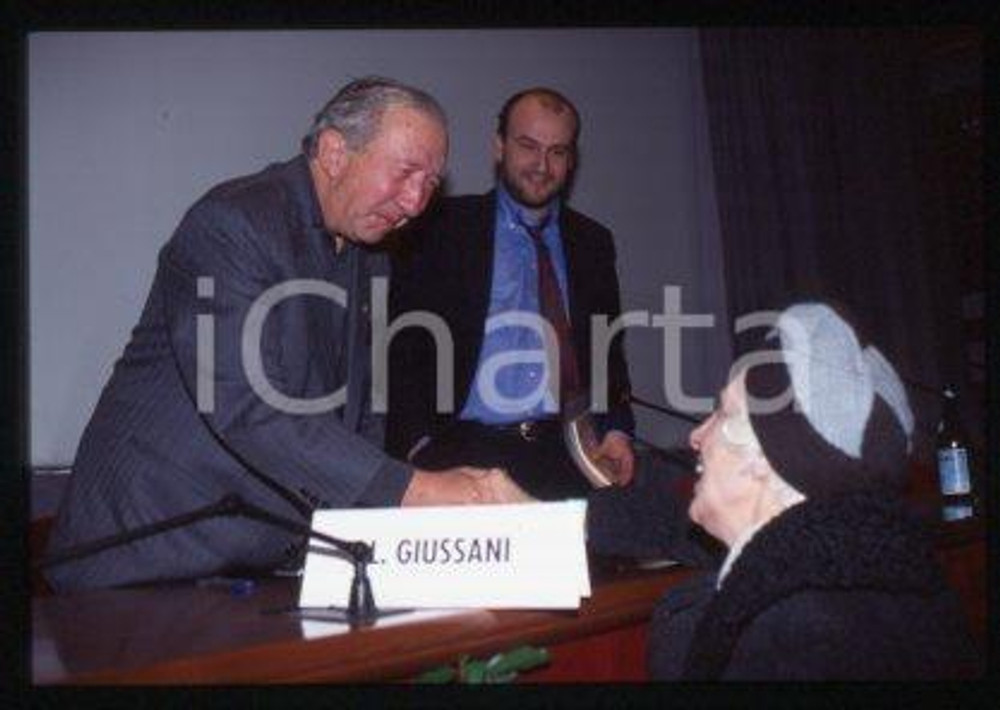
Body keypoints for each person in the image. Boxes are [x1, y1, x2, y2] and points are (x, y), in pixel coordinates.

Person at [45, 76, 532, 593]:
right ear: (334, 152)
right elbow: (247, 408)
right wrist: (415, 490)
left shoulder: (372, 256)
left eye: (430, 183)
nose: (415, 202)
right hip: (142, 560)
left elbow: (361, 416)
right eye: (406, 172)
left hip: (260, 566)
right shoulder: (232, 224)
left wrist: (373, 527)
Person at [588, 302, 982, 679]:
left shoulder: (786, 641)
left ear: (764, 458)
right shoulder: (883, 577)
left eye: (723, 412)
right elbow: (668, 527)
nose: (696, 435)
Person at [386, 87, 635, 500]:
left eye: (558, 151)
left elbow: (607, 355)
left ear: (572, 159)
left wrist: (616, 431)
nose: (542, 165)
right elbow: (398, 346)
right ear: (499, 146)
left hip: (565, 456)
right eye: (528, 146)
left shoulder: (593, 243)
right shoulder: (438, 229)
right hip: (458, 453)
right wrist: (416, 447)